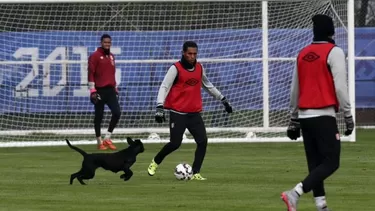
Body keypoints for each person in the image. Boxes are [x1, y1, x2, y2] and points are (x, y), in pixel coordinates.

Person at [281, 14, 354, 211]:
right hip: (323, 115)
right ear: (331, 31)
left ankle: (321, 206)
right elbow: (340, 88)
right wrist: (348, 115)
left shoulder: (302, 53)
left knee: (315, 164)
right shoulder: (335, 52)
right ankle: (294, 193)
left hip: (305, 117)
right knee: (332, 162)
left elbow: (294, 90)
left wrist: (294, 119)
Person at [147, 41, 233, 180]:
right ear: (183, 53)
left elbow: (208, 85)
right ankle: (155, 162)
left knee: (202, 142)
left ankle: (196, 172)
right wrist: (159, 106)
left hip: (194, 113)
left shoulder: (199, 68)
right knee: (175, 143)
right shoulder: (175, 68)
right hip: (178, 112)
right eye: (189, 54)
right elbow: (164, 87)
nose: (192, 56)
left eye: (194, 54)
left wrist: (222, 99)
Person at [88, 34, 121, 151]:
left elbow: (112, 73)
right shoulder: (95, 56)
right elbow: (91, 73)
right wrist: (92, 90)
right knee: (99, 116)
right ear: (101, 42)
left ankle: (107, 138)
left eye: (109, 42)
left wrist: (115, 87)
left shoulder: (111, 56)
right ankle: (99, 141)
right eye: (105, 42)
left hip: (110, 90)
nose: (107, 44)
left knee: (117, 112)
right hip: (99, 90)